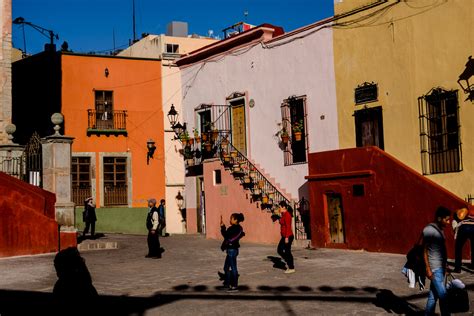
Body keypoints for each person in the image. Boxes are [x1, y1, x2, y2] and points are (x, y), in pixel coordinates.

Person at [423, 206, 451, 316]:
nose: (448, 222)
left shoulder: (439, 229)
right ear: (440, 218)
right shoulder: (429, 230)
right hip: (434, 269)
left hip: (440, 267)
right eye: (446, 219)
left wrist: (446, 265)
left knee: (433, 296)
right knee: (443, 297)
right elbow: (424, 250)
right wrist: (428, 269)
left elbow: (440, 249)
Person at [220, 213, 245, 293]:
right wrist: (223, 227)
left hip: (232, 250)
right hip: (230, 250)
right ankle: (227, 284)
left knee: (233, 268)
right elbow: (226, 236)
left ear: (236, 220)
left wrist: (223, 227)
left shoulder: (237, 228)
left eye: (231, 218)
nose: (230, 220)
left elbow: (227, 236)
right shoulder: (232, 228)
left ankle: (234, 286)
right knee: (226, 268)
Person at [452, 207, 474, 273]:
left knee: (458, 248)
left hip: (464, 227)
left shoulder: (457, 218)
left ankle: (458, 268)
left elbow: (455, 228)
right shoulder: (469, 214)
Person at [277, 201, 295, 274]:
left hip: (288, 236)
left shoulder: (287, 215)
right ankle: (288, 261)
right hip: (284, 236)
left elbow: (288, 226)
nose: (279, 208)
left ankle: (291, 267)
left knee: (287, 252)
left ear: (283, 207)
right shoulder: (283, 214)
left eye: (280, 207)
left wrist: (286, 237)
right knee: (279, 250)